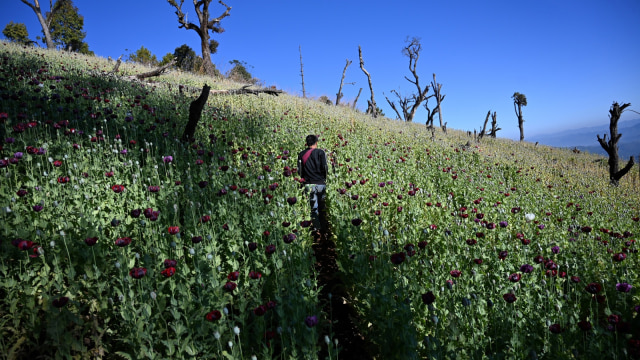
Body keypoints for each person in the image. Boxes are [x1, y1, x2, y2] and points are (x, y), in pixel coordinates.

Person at [297, 134, 328, 233]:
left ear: (306, 143)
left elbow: (299, 171)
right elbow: (325, 168)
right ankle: (325, 228)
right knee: (322, 207)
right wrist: (325, 179)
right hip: (321, 183)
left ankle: (316, 228)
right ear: (316, 142)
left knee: (313, 208)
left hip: (308, 184)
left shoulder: (301, 154)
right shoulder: (321, 153)